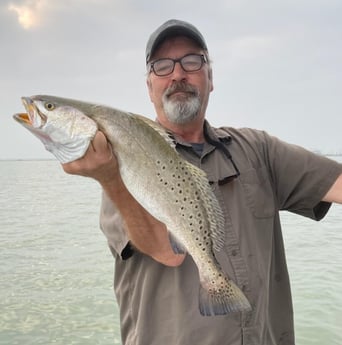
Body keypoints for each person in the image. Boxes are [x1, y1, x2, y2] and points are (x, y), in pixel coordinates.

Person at [62, 19, 342, 345]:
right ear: (149, 85)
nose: (178, 74)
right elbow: (167, 253)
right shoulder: (121, 162)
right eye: (162, 65)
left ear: (211, 77)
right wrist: (110, 178)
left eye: (192, 61)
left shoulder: (257, 150)